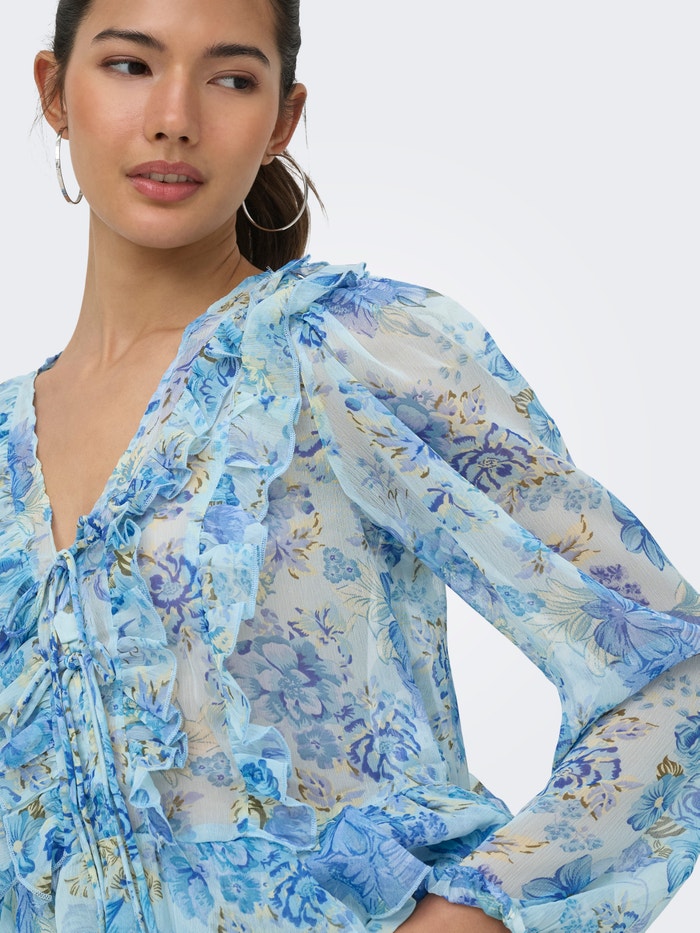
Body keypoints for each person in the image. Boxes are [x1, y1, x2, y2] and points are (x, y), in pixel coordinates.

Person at [0, 0, 697, 930]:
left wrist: (477, 912)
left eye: (230, 78)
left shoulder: (346, 347)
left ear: (281, 120)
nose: (174, 117)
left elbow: (671, 665)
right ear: (55, 92)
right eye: (131, 65)